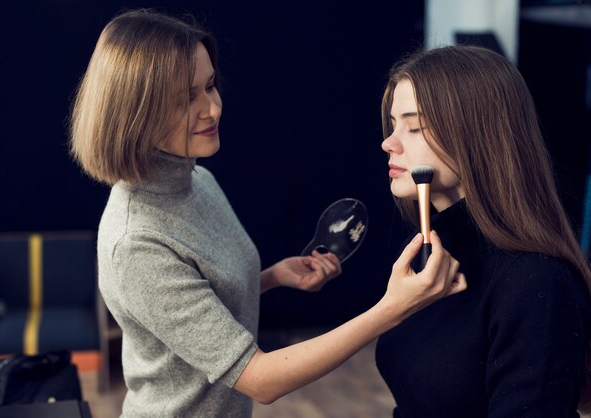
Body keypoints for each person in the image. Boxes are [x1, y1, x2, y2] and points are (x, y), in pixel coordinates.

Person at [69, 9, 466, 418]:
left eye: (210, 86)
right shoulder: (136, 242)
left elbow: (193, 303)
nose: (213, 108)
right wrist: (391, 309)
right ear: (135, 110)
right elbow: (261, 379)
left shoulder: (197, 181)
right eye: (187, 98)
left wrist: (274, 277)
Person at [376, 44, 591, 417]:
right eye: (393, 125)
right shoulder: (432, 260)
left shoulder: (536, 281)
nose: (388, 143)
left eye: (414, 127)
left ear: (475, 134)